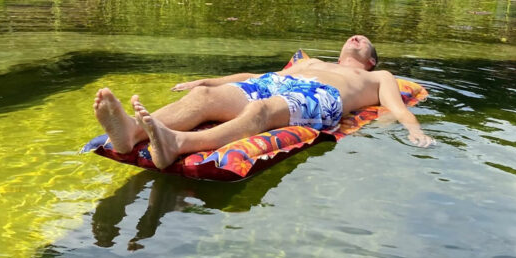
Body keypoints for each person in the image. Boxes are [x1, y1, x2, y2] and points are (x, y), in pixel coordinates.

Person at [93, 35, 434, 169]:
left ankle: (176, 143)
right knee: (206, 98)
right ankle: (132, 132)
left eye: (364, 41)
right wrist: (207, 82)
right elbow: (256, 76)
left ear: (370, 59)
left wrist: (413, 132)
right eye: (353, 36)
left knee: (262, 110)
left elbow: (397, 108)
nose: (356, 37)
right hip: (281, 81)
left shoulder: (377, 77)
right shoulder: (308, 61)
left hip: (320, 99)